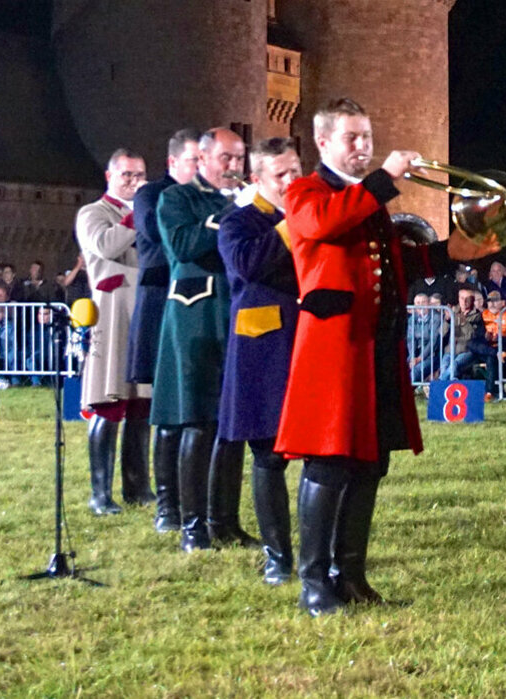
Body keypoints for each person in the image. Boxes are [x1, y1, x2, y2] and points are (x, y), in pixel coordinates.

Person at [277, 98, 428, 616]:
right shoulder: (307, 190)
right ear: (323, 142)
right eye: (353, 138)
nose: (364, 146)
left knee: (370, 463)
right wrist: (383, 179)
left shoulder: (366, 199)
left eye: (367, 136)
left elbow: (390, 259)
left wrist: (455, 252)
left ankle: (352, 574)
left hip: (375, 346)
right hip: (334, 351)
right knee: (329, 462)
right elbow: (322, 225)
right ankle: (313, 581)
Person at [153, 126, 253, 552]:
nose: (233, 167)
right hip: (195, 320)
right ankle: (191, 524)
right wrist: (230, 214)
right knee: (197, 420)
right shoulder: (177, 198)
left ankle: (225, 522)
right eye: (226, 158)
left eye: (239, 159)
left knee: (231, 425)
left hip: (239, 316)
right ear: (204, 159)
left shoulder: (244, 200)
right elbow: (183, 245)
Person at [218, 136, 305, 584]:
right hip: (263, 352)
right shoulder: (238, 222)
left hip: (309, 344)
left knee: (321, 458)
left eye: (296, 171)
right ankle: (277, 556)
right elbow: (248, 263)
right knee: (268, 456)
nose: (292, 181)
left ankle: (314, 554)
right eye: (281, 175)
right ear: (257, 179)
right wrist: (294, 224)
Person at [128, 128, 201, 533]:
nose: (201, 168)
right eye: (194, 160)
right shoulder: (152, 194)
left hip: (199, 308)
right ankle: (166, 504)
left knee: (200, 413)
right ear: (173, 163)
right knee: (169, 410)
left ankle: (199, 502)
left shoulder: (208, 198)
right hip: (163, 305)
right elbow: (162, 241)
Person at [76, 148, 153, 517]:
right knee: (109, 403)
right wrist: (139, 213)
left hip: (143, 312)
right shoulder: (93, 213)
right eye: (127, 175)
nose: (135, 182)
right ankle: (100, 493)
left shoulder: (145, 213)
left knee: (141, 404)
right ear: (110, 177)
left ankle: (138, 487)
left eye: (140, 176)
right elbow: (106, 245)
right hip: (111, 314)